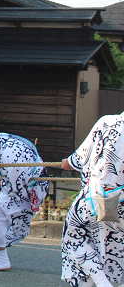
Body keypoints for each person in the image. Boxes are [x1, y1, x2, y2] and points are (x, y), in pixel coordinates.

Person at [61, 112, 124, 287]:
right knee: (110, 242)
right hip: (120, 201)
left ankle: (102, 283)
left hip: (100, 196)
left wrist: (66, 162)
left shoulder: (109, 123)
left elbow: (77, 160)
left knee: (74, 236)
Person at [0, 133, 49, 271]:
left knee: (16, 229)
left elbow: (14, 188)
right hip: (21, 185)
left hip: (29, 189)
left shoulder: (10, 156)